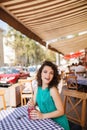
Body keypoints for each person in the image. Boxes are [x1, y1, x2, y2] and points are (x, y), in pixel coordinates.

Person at [28, 60, 70, 130]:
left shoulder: (53, 90)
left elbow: (61, 111)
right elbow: (33, 103)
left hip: (59, 124)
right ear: (40, 73)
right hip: (46, 121)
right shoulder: (37, 88)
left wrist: (42, 115)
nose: (48, 75)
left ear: (53, 76)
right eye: (45, 72)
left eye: (51, 73)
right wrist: (31, 103)